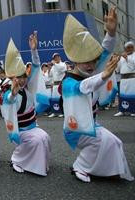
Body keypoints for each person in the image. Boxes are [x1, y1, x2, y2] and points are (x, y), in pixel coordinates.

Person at [62, 8, 134, 182]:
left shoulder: (91, 69)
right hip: (76, 129)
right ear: (75, 61)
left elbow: (105, 51)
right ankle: (80, 166)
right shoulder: (68, 82)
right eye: (86, 61)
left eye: (93, 61)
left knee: (115, 142)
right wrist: (103, 75)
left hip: (91, 124)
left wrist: (110, 32)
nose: (91, 65)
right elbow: (84, 86)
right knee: (99, 142)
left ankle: (108, 170)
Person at [1, 32, 51, 176]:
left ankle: (37, 164)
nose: (22, 80)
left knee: (45, 137)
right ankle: (16, 160)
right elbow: (9, 101)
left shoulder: (29, 86)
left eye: (24, 76)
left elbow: (36, 66)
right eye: (19, 77)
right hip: (21, 131)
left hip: (33, 126)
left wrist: (34, 50)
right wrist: (13, 94)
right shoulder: (7, 93)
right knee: (36, 141)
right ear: (13, 78)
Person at [114, 41, 135, 117]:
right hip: (123, 79)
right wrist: (116, 60)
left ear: (133, 48)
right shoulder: (122, 57)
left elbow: (133, 66)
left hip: (132, 79)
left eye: (131, 47)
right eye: (127, 47)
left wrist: (127, 59)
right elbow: (118, 69)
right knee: (122, 95)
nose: (129, 49)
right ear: (125, 48)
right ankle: (122, 110)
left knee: (132, 94)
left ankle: (133, 110)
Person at [48, 53, 67, 118]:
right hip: (55, 85)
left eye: (57, 57)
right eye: (54, 58)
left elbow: (62, 70)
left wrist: (54, 64)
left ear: (59, 57)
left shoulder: (63, 64)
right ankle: (54, 112)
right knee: (54, 99)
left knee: (60, 99)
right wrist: (49, 68)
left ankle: (62, 112)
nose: (56, 58)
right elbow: (50, 75)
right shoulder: (53, 66)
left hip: (61, 84)